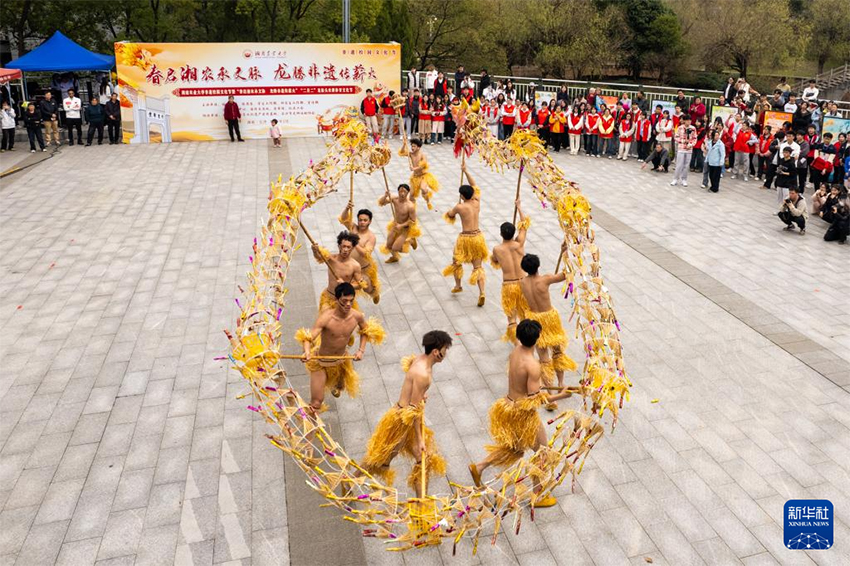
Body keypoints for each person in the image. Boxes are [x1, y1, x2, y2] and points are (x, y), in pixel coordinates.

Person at [467, 319, 576, 506]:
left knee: (515, 450)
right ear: (538, 338)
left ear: (518, 336)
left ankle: (479, 467)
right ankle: (538, 496)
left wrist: (538, 385)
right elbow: (534, 399)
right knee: (543, 452)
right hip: (523, 415)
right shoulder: (533, 365)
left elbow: (526, 386)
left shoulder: (516, 350)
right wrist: (562, 395)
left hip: (508, 406)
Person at [360, 330, 452, 496]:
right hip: (402, 423)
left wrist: (419, 393)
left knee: (423, 460)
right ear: (436, 352)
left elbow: (411, 381)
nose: (447, 352)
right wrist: (420, 439)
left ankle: (421, 506)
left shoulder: (420, 359)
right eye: (446, 348)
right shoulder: (424, 373)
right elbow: (413, 411)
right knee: (380, 459)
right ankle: (351, 479)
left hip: (402, 415)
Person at [296, 282, 385, 407]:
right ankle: (310, 424)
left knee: (340, 386)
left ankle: (336, 384)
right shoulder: (326, 318)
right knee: (316, 401)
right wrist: (307, 351)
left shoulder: (357, 316)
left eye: (351, 300)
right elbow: (307, 337)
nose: (348, 304)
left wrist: (361, 350)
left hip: (341, 361)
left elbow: (366, 331)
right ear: (337, 299)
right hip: (321, 362)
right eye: (344, 300)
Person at [519, 252, 575, 411]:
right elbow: (566, 274)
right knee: (557, 352)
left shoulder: (522, 282)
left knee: (544, 359)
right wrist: (566, 253)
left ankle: (551, 395)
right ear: (538, 266)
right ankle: (561, 383)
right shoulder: (545, 279)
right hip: (550, 320)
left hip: (535, 320)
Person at [443, 164, 488, 306]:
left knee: (456, 261)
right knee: (478, 267)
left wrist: (454, 208)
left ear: (462, 196)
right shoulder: (477, 201)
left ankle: (458, 285)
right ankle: (481, 292)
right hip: (478, 237)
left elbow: (450, 215)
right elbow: (474, 184)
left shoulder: (460, 207)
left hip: (465, 238)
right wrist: (466, 171)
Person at [491, 200, 531, 343]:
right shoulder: (519, 243)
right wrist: (519, 207)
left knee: (512, 318)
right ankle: (527, 339)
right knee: (525, 314)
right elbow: (525, 223)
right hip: (523, 283)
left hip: (509, 285)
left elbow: (494, 260)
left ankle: (516, 344)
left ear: (501, 234)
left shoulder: (497, 249)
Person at [311, 231, 364, 313]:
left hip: (344, 301)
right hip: (329, 297)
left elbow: (360, 285)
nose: (345, 250)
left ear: (352, 248)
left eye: (348, 247)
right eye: (343, 246)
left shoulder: (355, 265)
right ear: (339, 246)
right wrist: (315, 251)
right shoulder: (331, 259)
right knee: (324, 319)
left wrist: (346, 285)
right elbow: (319, 257)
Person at [339, 205, 381, 304]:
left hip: (363, 269)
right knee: (345, 290)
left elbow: (365, 254)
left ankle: (374, 293)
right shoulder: (353, 227)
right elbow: (343, 219)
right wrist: (347, 208)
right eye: (360, 220)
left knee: (367, 288)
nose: (362, 222)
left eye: (365, 220)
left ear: (370, 221)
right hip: (349, 266)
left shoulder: (371, 237)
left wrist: (355, 242)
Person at [379, 183, 420, 263]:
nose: (402, 193)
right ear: (398, 191)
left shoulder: (410, 206)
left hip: (405, 229)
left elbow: (413, 221)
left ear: (408, 193)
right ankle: (395, 257)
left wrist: (401, 226)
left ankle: (411, 240)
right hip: (395, 225)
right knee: (389, 245)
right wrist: (385, 196)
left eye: (404, 192)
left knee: (396, 248)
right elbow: (382, 203)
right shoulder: (395, 199)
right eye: (400, 191)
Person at [408, 138, 440, 210]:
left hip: (423, 176)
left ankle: (428, 201)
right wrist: (404, 144)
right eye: (412, 146)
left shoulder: (422, 155)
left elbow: (423, 165)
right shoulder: (410, 154)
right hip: (415, 177)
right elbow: (403, 152)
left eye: (414, 146)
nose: (412, 148)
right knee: (411, 195)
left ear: (418, 147)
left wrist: (414, 169)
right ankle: (412, 209)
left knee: (423, 188)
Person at [670, 114, 696, 186]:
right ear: (684, 121)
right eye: (687, 120)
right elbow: (676, 137)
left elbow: (694, 138)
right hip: (681, 148)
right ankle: (675, 179)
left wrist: (691, 144)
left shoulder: (693, 128)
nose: (689, 122)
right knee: (679, 164)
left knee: (686, 165)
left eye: (690, 120)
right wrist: (683, 141)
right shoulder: (680, 128)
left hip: (689, 149)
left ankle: (684, 179)